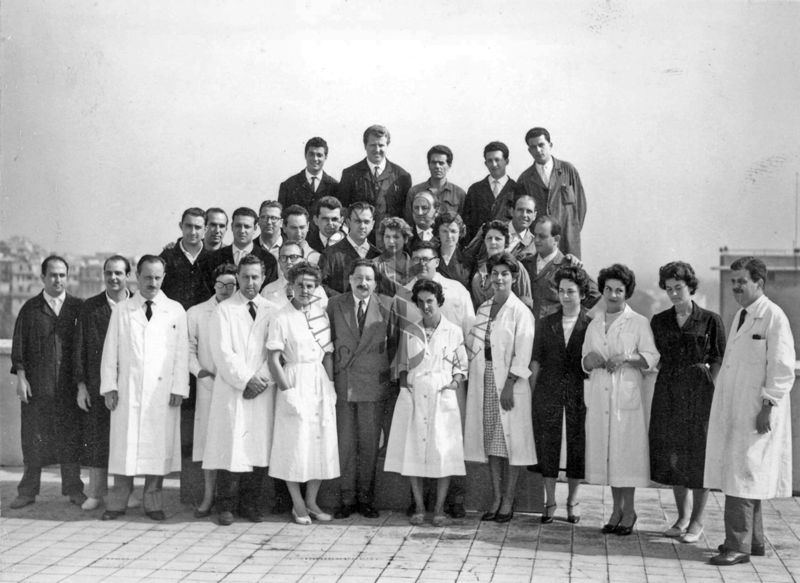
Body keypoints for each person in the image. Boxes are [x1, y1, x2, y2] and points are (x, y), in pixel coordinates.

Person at [705, 257, 795, 566]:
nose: (736, 287)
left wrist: (767, 407)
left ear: (759, 282)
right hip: (736, 409)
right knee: (746, 475)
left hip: (757, 412)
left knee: (742, 478)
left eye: (742, 281)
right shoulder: (742, 316)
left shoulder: (773, 317)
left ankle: (737, 546)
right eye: (733, 282)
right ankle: (753, 542)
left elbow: (782, 370)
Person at [100, 255, 189, 521]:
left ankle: (152, 501)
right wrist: (110, 387)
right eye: (147, 277)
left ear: (163, 278)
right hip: (128, 390)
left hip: (162, 394)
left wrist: (179, 388)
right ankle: (117, 502)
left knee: (157, 448)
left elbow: (182, 354)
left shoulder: (175, 310)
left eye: (157, 277)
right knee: (124, 448)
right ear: (137, 277)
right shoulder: (122, 310)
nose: (152, 282)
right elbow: (110, 351)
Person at [649, 261, 726, 543]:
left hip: (699, 395)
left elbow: (718, 358)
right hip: (668, 392)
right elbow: (653, 355)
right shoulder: (660, 320)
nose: (673, 294)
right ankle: (682, 517)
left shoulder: (710, 319)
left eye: (678, 288)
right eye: (668, 289)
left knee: (698, 457)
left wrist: (712, 388)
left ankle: (697, 521)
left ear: (690, 287)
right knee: (673, 457)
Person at [202, 255, 280, 525]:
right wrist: (247, 379)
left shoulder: (272, 310)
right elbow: (222, 352)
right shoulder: (225, 310)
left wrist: (262, 379)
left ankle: (250, 504)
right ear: (238, 278)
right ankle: (225, 505)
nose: (250, 282)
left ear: (263, 277)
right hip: (234, 389)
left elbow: (276, 350)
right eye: (245, 277)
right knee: (231, 447)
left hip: (262, 390)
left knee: (257, 448)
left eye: (255, 277)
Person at [582, 263, 659, 535]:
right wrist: (588, 361)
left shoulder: (638, 322)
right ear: (602, 291)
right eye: (608, 290)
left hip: (626, 398)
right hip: (601, 394)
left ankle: (630, 510)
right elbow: (585, 359)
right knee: (609, 458)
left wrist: (625, 357)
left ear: (627, 293)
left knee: (625, 457)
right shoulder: (594, 324)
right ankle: (616, 510)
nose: (613, 295)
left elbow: (651, 357)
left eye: (619, 290)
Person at [385, 279, 468, 527]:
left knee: (443, 452)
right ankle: (420, 506)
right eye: (420, 302)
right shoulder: (410, 330)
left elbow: (461, 366)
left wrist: (452, 384)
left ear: (439, 301)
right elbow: (401, 365)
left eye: (430, 301)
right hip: (414, 395)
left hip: (442, 397)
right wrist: (405, 387)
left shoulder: (453, 331)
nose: (426, 306)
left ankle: (440, 508)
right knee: (413, 450)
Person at [464, 252, 536, 523]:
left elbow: (523, 353)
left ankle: (508, 499)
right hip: (485, 380)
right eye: (495, 274)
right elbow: (473, 347)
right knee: (493, 442)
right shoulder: (483, 309)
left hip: (510, 383)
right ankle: (495, 497)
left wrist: (509, 385)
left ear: (514, 278)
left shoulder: (521, 312)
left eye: (505, 274)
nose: (499, 278)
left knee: (511, 444)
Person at [10, 255, 86, 509]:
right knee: (33, 439)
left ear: (68, 277)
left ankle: (74, 490)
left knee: (70, 439)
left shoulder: (77, 308)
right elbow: (19, 347)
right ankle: (27, 491)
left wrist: (81, 384)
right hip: (38, 387)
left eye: (62, 275)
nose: (58, 280)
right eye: (52, 275)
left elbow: (85, 348)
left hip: (69, 388)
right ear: (42, 277)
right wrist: (21, 378)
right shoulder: (31, 309)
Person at [268, 262, 339, 525]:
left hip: (318, 381)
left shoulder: (321, 314)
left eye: (310, 286)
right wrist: (288, 392)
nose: (305, 290)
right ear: (291, 286)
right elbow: (273, 359)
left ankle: (311, 501)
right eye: (300, 285)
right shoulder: (281, 317)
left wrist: (330, 385)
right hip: (294, 379)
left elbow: (328, 354)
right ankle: (296, 502)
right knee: (294, 443)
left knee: (318, 441)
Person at [327, 260, 395, 519]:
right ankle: (346, 498)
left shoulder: (388, 306)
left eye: (368, 279)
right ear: (349, 280)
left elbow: (394, 346)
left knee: (368, 445)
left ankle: (366, 498)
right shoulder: (335, 305)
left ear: (375, 283)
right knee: (345, 444)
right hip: (344, 384)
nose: (363, 283)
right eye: (359, 278)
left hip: (373, 386)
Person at [529, 266, 592, 524]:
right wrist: (533, 394)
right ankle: (550, 501)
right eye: (562, 291)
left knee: (577, 444)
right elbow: (536, 361)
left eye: (571, 291)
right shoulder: (545, 323)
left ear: (582, 294)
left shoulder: (591, 324)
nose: (566, 296)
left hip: (579, 391)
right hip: (548, 390)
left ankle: (573, 501)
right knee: (548, 444)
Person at [74, 255, 132, 511]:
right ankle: (96, 492)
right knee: (97, 439)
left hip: (130, 386)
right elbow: (79, 349)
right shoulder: (90, 307)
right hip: (98, 385)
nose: (114, 278)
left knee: (126, 441)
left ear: (128, 275)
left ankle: (126, 492)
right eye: (109, 273)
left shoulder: (138, 306)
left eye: (119, 273)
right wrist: (81, 386)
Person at [187, 262, 238, 519]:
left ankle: (227, 502)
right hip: (208, 386)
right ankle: (208, 497)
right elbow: (188, 349)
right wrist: (200, 372)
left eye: (232, 285)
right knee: (208, 443)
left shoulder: (240, 311)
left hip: (233, 387)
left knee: (231, 442)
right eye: (221, 285)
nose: (226, 290)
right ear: (213, 285)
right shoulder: (197, 312)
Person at [515, 127, 587, 257]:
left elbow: (581, 207)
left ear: (550, 145)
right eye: (533, 147)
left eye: (541, 145)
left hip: (567, 242)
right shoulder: (524, 179)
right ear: (529, 150)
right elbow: (523, 217)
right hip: (539, 245)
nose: (538, 150)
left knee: (570, 275)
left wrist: (571, 232)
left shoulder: (568, 170)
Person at [521, 215, 600, 320]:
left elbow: (596, 295)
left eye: (542, 236)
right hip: (527, 327)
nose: (537, 240)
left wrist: (577, 317)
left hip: (554, 330)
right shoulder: (525, 263)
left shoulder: (568, 265)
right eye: (535, 235)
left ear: (556, 239)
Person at [338, 124, 412, 236]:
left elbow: (406, 215)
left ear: (387, 145)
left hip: (390, 241)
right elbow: (343, 211)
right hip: (359, 239)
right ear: (365, 145)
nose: (377, 150)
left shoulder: (402, 177)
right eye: (373, 145)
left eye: (381, 145)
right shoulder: (349, 174)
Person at [206, 206, 278, 289]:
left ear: (254, 228)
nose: (242, 231)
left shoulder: (268, 260)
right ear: (232, 226)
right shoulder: (214, 258)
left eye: (247, 226)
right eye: (238, 226)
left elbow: (269, 292)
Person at [319, 202, 381, 295]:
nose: (362, 226)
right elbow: (320, 285)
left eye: (366, 222)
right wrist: (344, 301)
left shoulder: (378, 255)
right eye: (357, 221)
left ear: (372, 224)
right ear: (348, 223)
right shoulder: (330, 254)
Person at [470, 220, 532, 309]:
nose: (493, 242)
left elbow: (525, 305)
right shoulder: (479, 269)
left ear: (506, 242)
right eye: (489, 238)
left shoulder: (516, 267)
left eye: (498, 239)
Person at [159, 207, 212, 311]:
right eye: (189, 226)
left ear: (205, 229)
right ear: (181, 226)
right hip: (173, 318)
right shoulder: (166, 257)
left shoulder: (213, 258)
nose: (193, 232)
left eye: (197, 227)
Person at [462, 141, 516, 241]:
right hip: (479, 249)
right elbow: (467, 223)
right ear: (485, 163)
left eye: (497, 160)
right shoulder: (475, 190)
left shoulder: (517, 189)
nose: (494, 164)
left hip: (508, 246)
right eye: (490, 161)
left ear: (506, 161)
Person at [404, 145, 466, 225]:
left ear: (449, 165)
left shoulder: (459, 194)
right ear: (429, 165)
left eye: (441, 163)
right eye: (433, 162)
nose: (437, 166)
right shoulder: (414, 192)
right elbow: (409, 222)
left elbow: (462, 225)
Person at [261, 240, 328, 309]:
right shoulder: (268, 290)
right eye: (284, 257)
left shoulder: (317, 290)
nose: (288, 262)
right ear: (279, 262)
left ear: (303, 260)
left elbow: (323, 317)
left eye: (293, 257)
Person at [278, 136, 339, 211]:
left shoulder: (335, 186)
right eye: (311, 154)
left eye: (319, 155)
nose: (315, 159)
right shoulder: (288, 186)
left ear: (325, 157)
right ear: (305, 155)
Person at [373, 216, 414, 294]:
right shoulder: (374, 265)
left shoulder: (414, 263)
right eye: (387, 237)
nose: (391, 241)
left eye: (396, 237)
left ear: (405, 239)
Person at [434, 212, 472, 289]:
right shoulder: (430, 256)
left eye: (453, 231)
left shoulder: (468, 261)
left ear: (460, 232)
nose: (449, 236)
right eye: (444, 231)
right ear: (438, 232)